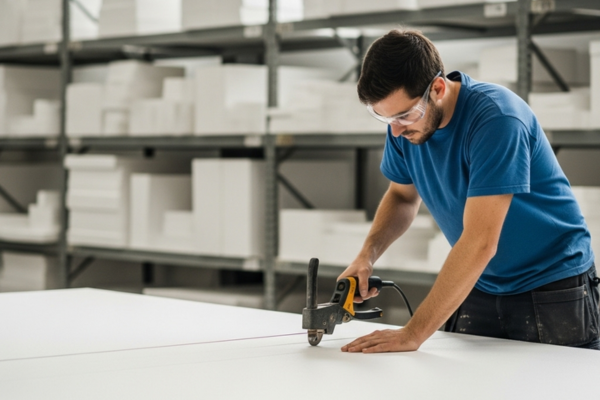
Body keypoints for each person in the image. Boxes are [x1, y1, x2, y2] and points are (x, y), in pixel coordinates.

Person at [339, 29, 600, 353]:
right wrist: (366, 256)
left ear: (437, 88)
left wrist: (412, 334)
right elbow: (402, 197)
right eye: (384, 118)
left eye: (404, 115)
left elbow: (480, 242)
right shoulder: (404, 128)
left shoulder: (497, 119)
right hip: (480, 283)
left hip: (550, 286)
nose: (395, 129)